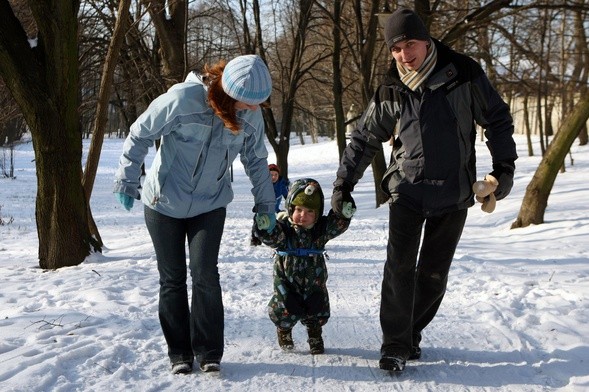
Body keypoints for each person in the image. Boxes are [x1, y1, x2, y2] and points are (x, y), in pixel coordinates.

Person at [330, 8, 517, 372]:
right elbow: (366, 137)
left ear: (426, 40)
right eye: (396, 49)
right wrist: (343, 184)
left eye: (410, 45)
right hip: (407, 192)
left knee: (433, 275)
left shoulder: (463, 73)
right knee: (398, 269)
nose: (404, 55)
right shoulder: (391, 87)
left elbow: (497, 118)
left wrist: (504, 170)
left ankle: (410, 334)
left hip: (454, 193)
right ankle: (395, 345)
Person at [113, 54, 277, 375]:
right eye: (249, 103)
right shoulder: (182, 100)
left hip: (211, 204)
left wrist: (266, 207)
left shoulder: (250, 116)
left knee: (205, 274)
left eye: (260, 103)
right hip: (163, 203)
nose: (256, 109)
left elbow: (257, 161)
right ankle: (179, 353)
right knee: (172, 279)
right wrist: (127, 179)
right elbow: (140, 132)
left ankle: (209, 351)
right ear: (229, 94)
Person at [252, 178, 354, 354]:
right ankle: (284, 330)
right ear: (290, 208)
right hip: (287, 284)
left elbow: (336, 225)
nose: (302, 216)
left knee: (316, 308)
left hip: (314, 283)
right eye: (298, 209)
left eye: (309, 212)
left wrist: (343, 214)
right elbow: (272, 237)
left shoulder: (320, 232)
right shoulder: (284, 230)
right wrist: (265, 228)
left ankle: (315, 334)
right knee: (285, 308)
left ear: (317, 213)